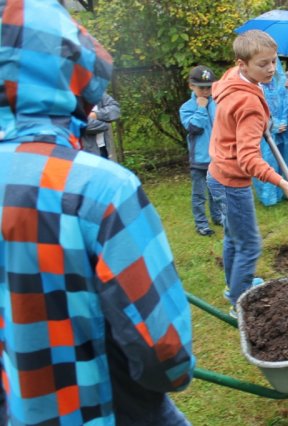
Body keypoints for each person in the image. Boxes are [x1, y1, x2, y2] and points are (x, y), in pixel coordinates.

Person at [0, 1, 195, 425]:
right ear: (72, 71)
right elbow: (164, 348)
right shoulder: (99, 189)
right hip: (100, 407)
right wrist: (173, 372)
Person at [206, 30, 288, 317]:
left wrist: (262, 121)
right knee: (249, 244)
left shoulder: (230, 79)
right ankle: (239, 302)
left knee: (232, 237)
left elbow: (241, 109)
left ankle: (235, 285)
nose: (272, 69)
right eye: (263, 64)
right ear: (242, 64)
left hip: (217, 173)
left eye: (274, 61)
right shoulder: (248, 104)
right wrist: (283, 183)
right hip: (231, 181)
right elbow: (249, 159)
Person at [179, 65, 223, 235]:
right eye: (201, 88)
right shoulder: (186, 108)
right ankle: (201, 224)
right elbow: (193, 128)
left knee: (215, 192)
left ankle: (217, 217)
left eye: (209, 87)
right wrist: (201, 108)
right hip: (199, 160)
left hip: (216, 158)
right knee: (199, 195)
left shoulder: (217, 104)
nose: (206, 91)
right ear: (191, 86)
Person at [254, 58, 288, 206]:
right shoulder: (257, 89)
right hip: (266, 132)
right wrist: (274, 125)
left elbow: (286, 104)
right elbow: (258, 111)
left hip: (283, 131)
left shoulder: (280, 86)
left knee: (286, 160)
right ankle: (269, 195)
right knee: (268, 161)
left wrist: (284, 121)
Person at [81, 92, 121, 159]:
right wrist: (105, 123)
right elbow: (81, 124)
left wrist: (95, 115)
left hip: (104, 149)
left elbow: (115, 110)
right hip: (83, 152)